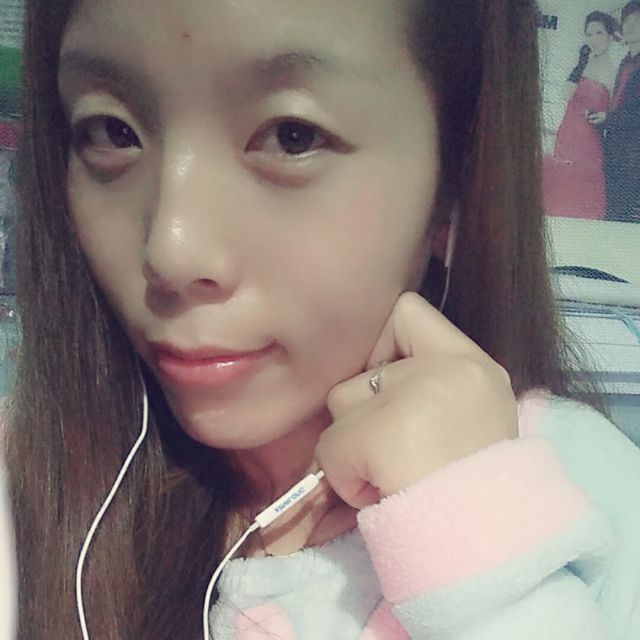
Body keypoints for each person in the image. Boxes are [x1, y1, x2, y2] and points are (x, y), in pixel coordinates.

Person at [3, 1, 640, 639]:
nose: (172, 250)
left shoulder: (587, 491)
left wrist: (490, 583)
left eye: (292, 136)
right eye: (112, 132)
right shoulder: (34, 493)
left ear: (453, 181)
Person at [542, 11, 620, 219]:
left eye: (599, 33)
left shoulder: (615, 70)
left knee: (581, 190)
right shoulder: (585, 62)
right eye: (589, 34)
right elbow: (565, 94)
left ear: (610, 36)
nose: (593, 39)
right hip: (568, 132)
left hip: (589, 137)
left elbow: (615, 109)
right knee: (560, 188)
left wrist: (604, 116)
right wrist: (581, 62)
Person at [588, 0, 640, 222]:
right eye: (626, 20)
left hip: (634, 158)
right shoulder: (625, 62)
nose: (630, 25)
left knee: (624, 220)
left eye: (637, 20)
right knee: (610, 214)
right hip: (615, 153)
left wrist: (608, 118)